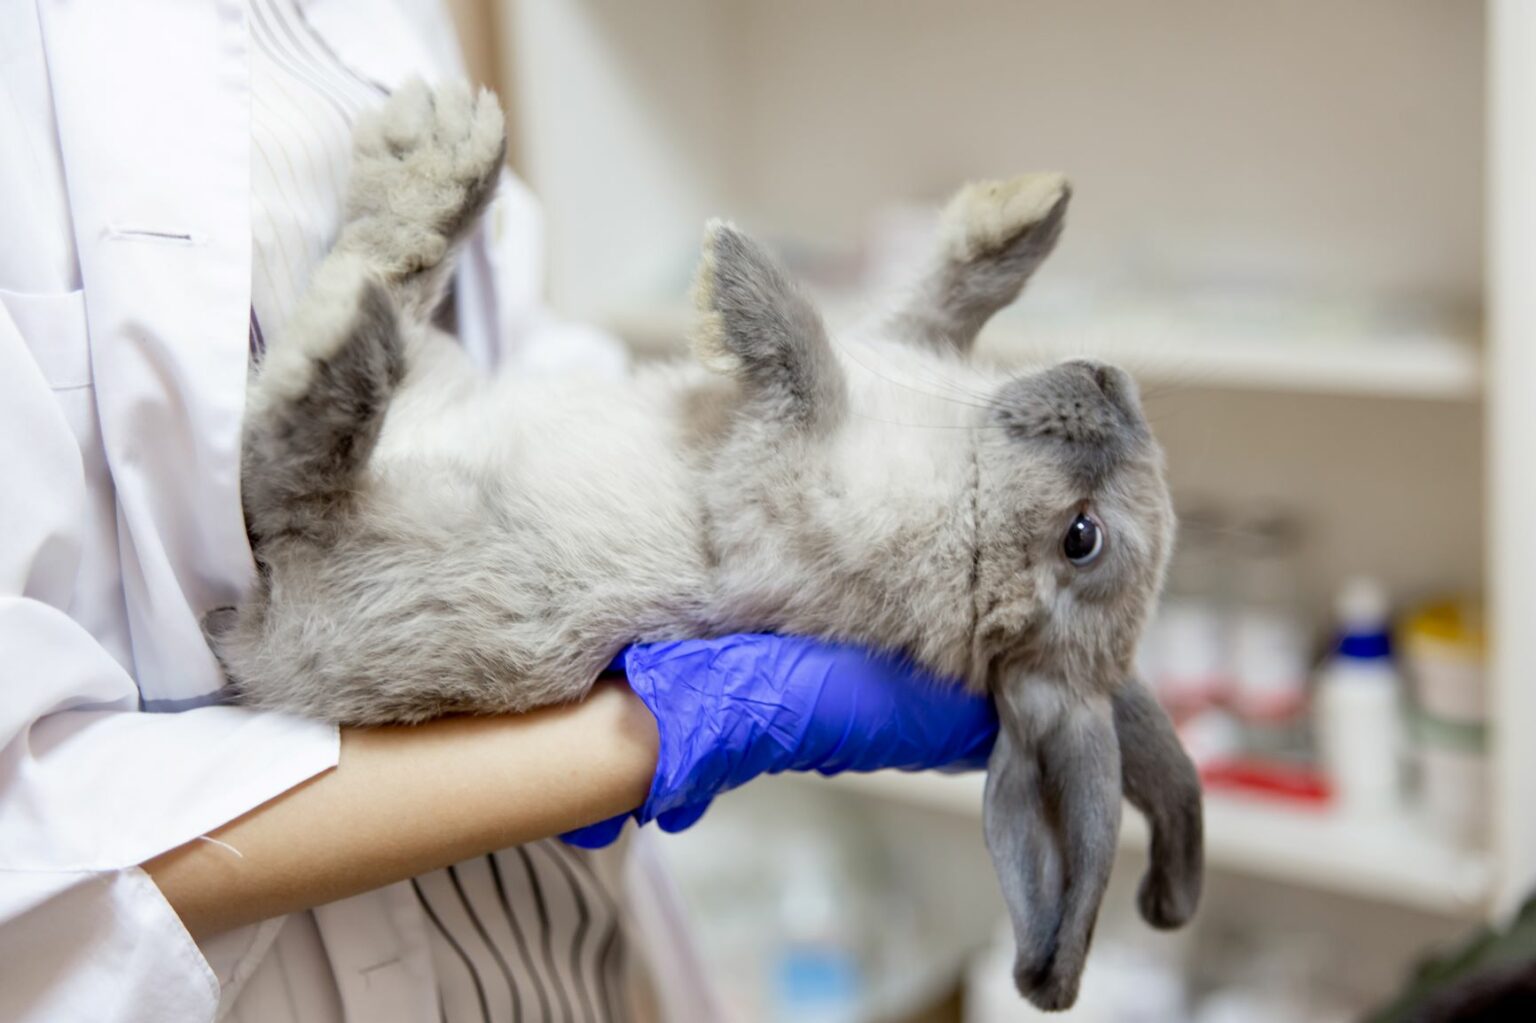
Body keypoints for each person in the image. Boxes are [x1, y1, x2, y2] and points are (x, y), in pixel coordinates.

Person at [0, 2, 997, 1021]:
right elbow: (24, 849)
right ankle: (327, 434)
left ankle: (359, 371)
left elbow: (527, 370)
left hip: (565, 951)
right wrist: (626, 743)